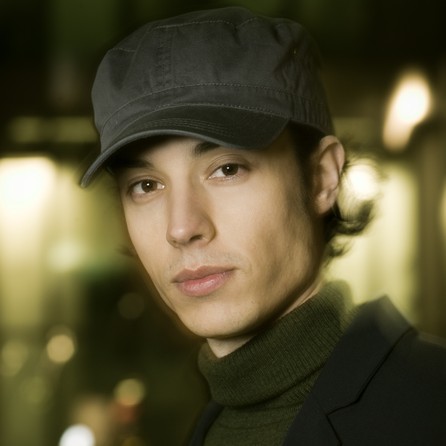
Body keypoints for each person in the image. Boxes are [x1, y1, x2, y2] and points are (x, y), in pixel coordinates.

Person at [81, 6, 446, 445]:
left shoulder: (430, 405)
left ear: (322, 178)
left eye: (227, 169)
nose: (181, 227)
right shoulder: (211, 424)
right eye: (146, 185)